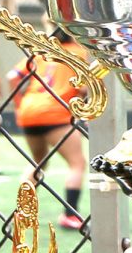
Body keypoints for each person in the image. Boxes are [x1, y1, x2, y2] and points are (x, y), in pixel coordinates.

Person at [12, 46, 89, 232]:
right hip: (57, 112)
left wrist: (17, 106)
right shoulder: (79, 52)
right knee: (77, 163)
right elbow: (85, 88)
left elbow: (12, 76)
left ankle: (22, 212)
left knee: (38, 162)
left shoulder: (41, 48)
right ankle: (70, 215)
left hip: (29, 110)